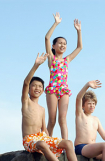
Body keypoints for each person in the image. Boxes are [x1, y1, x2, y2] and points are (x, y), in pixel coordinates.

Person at [21, 52, 94, 161]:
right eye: (34, 86)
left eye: (40, 86)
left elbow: (45, 130)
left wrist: (51, 141)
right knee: (43, 144)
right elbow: (26, 82)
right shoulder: (26, 102)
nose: (37, 88)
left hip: (42, 138)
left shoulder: (42, 109)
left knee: (68, 143)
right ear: (29, 89)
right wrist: (36, 65)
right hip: (30, 140)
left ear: (43, 90)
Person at [44, 12, 82, 140]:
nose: (62, 45)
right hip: (53, 90)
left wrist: (78, 31)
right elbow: (47, 38)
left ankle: (66, 145)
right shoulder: (51, 58)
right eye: (59, 43)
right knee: (52, 119)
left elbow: (79, 47)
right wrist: (56, 23)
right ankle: (47, 143)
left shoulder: (67, 59)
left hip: (64, 89)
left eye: (64, 43)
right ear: (54, 46)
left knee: (63, 119)